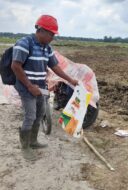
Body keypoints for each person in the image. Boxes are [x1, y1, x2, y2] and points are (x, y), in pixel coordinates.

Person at [11, 15, 78, 161]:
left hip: (40, 86)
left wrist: (70, 80)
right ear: (41, 30)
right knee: (30, 115)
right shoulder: (24, 43)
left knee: (40, 112)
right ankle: (25, 148)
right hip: (25, 86)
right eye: (51, 34)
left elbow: (55, 66)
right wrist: (29, 86)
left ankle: (33, 141)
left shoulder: (47, 48)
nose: (53, 37)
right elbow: (15, 66)